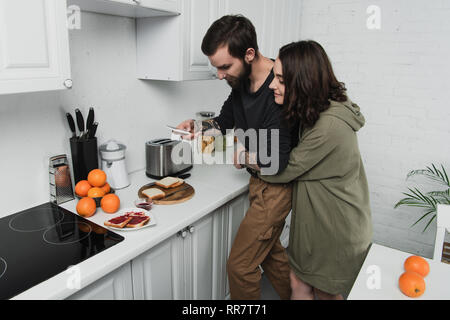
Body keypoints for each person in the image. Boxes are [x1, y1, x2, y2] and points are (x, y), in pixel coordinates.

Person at [176, 15, 298, 300]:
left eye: (224, 67)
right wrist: (197, 127)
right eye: (216, 67)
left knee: (240, 267)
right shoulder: (241, 82)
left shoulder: (277, 89)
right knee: (270, 254)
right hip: (259, 184)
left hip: (276, 189)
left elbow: (277, 160)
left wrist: (243, 156)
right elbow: (224, 120)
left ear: (249, 54)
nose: (220, 75)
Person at [259, 40, 373, 300]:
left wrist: (249, 158)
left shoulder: (329, 126)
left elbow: (284, 169)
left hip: (334, 231)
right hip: (313, 224)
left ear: (303, 84)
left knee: (326, 294)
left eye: (280, 80)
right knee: (297, 282)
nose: (272, 85)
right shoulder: (314, 110)